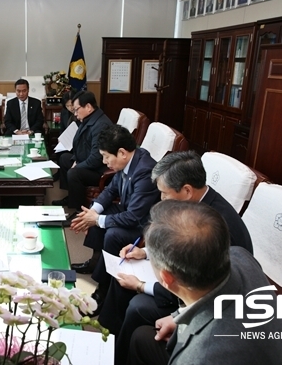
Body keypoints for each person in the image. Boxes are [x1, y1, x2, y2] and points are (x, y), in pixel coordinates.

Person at [99, 150, 253, 365]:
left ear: (187, 190)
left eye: (164, 193)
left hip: (212, 301)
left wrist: (142, 286)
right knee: (124, 274)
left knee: (138, 306)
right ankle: (108, 338)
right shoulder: (196, 204)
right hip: (192, 280)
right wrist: (144, 252)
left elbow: (202, 288)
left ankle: (120, 356)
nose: (161, 199)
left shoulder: (215, 226)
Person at [128, 200, 282, 365]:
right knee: (141, 338)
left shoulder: (200, 357)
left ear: (167, 278)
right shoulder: (241, 256)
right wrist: (177, 318)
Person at [69, 124, 160, 314]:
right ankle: (96, 261)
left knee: (112, 233)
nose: (104, 161)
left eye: (106, 157)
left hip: (143, 224)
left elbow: (134, 217)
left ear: (122, 153)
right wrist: (92, 213)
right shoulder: (128, 160)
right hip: (128, 210)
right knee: (96, 216)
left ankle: (103, 289)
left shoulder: (145, 171)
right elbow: (111, 190)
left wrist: (97, 219)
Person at [52, 91, 113, 222]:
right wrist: (75, 159)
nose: (75, 113)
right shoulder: (88, 119)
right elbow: (80, 145)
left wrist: (78, 165)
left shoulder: (100, 125)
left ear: (89, 107)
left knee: (74, 173)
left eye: (77, 109)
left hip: (100, 170)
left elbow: (97, 158)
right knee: (64, 158)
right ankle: (71, 195)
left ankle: (79, 210)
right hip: (86, 161)